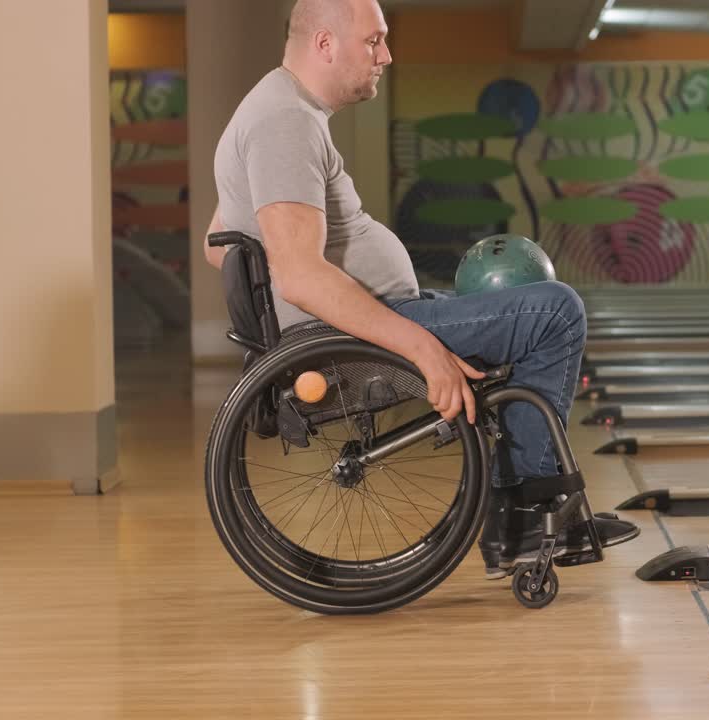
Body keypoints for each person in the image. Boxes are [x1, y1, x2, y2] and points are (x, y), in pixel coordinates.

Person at [202, 0, 638, 579]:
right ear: (325, 43)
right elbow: (299, 275)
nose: (386, 55)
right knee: (555, 312)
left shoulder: (280, 109)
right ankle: (525, 518)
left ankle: (522, 513)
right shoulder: (285, 121)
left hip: (356, 323)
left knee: (525, 313)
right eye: (374, 41)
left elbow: (219, 245)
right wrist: (421, 348)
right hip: (341, 343)